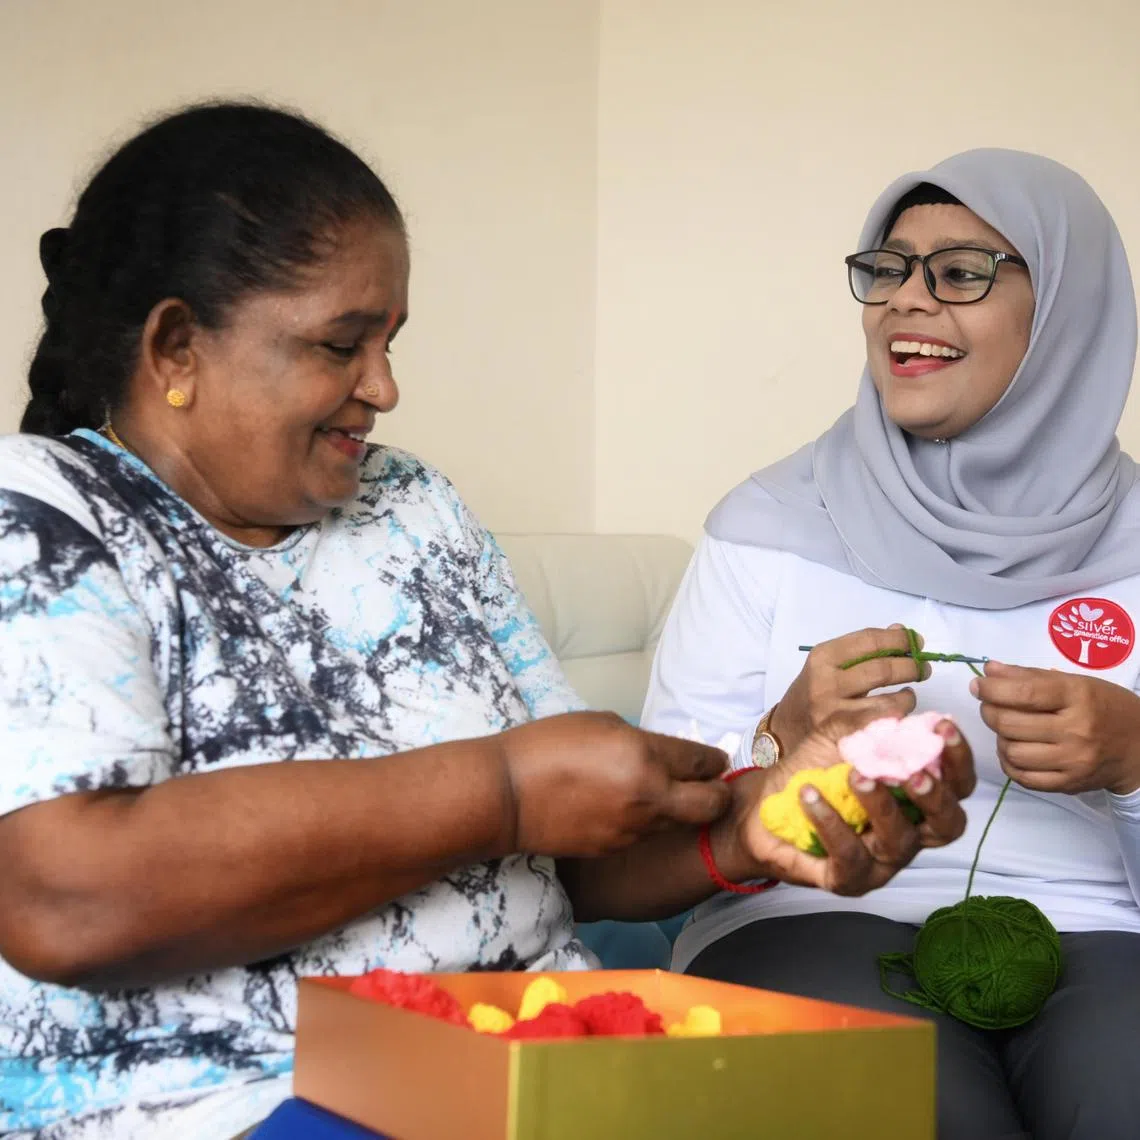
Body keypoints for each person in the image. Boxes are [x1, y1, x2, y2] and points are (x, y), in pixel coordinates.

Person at [0, 103, 974, 1140]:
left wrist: (754, 825)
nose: (383, 386)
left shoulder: (413, 507)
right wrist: (501, 790)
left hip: (540, 1063)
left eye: (389, 340)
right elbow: (68, 899)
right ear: (176, 347)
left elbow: (578, 856)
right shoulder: (48, 514)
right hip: (243, 1100)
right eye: (341, 343)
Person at [642, 149, 1140, 1140]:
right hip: (800, 921)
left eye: (960, 272)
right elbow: (653, 847)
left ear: (1069, 316)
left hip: (1099, 933)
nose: (905, 302)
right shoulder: (767, 523)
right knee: (918, 1114)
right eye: (887, 269)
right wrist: (779, 744)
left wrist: (1133, 762)